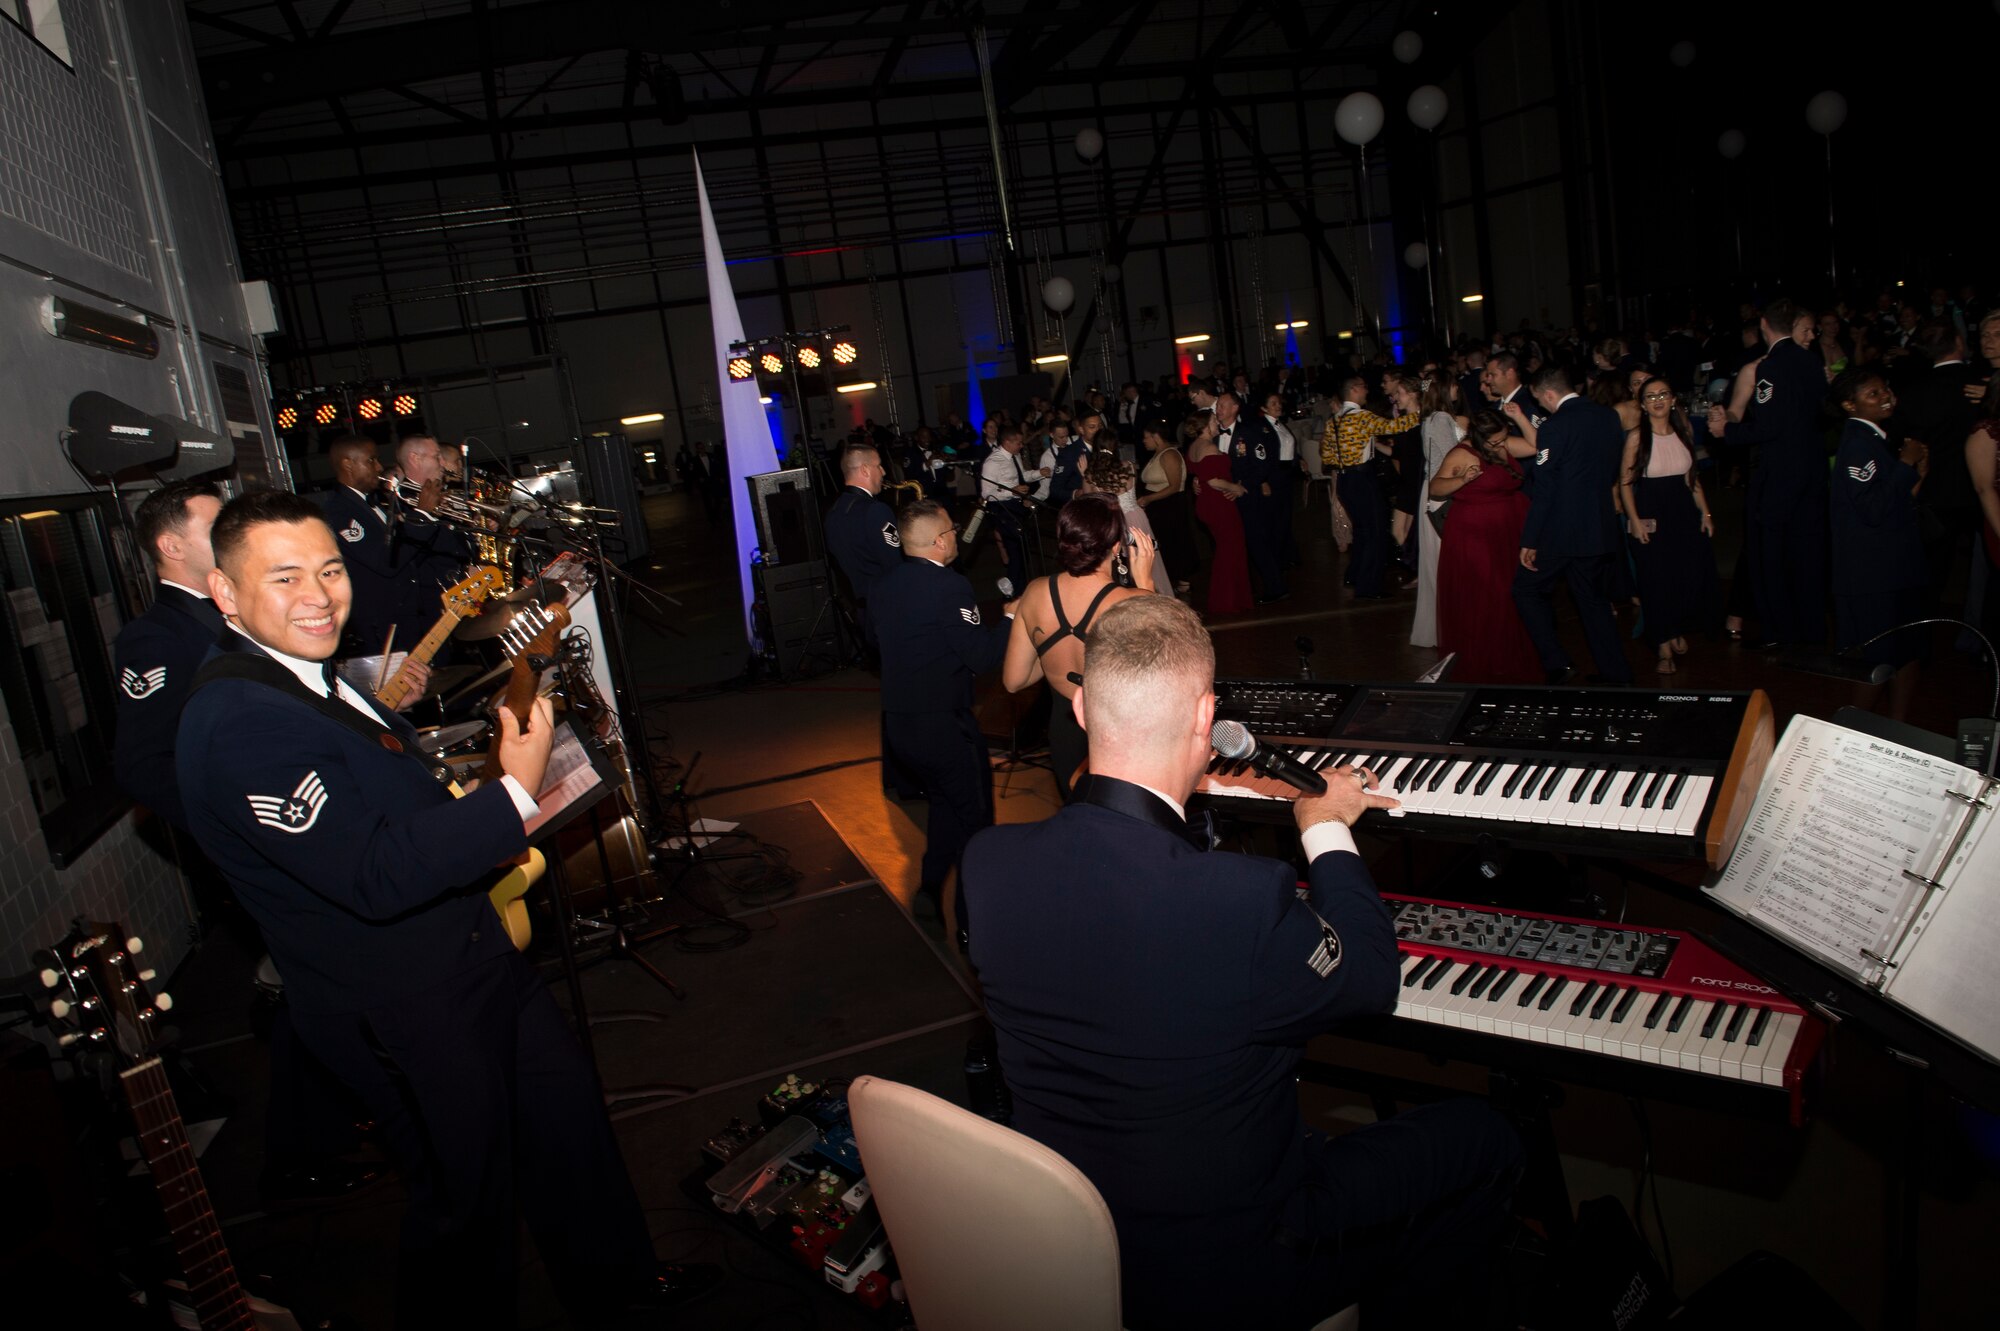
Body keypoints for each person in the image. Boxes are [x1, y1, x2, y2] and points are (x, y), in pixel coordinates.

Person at [176, 490, 717, 1325]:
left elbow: (385, 805)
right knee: (465, 1199)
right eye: (284, 577)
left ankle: (619, 1287)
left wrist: (464, 803)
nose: (318, 595)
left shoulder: (308, 675)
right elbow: (372, 872)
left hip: (470, 957)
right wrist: (511, 792)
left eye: (329, 569)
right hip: (399, 999)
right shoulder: (241, 721)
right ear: (225, 593)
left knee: (565, 1123)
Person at [962, 595, 1521, 1330]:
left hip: (1071, 1238)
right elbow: (1369, 977)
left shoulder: (987, 863)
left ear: (1081, 713)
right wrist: (1324, 830)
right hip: (1231, 1264)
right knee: (1486, 1141)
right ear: (1206, 719)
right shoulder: (1239, 900)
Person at [870, 500, 1013, 914]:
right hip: (945, 727)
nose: (956, 536)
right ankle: (977, 916)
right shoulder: (950, 586)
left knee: (944, 808)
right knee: (976, 820)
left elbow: (875, 641)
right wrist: (1009, 619)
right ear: (937, 542)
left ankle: (930, 890)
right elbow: (981, 658)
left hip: (900, 728)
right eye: (952, 530)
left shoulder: (882, 585)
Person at [1001, 494, 1155, 801]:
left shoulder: (1035, 592)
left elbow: (1014, 680)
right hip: (1119, 734)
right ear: (1115, 546)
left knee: (1080, 823)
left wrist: (1055, 658)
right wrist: (1146, 584)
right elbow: (1163, 671)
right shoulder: (1132, 603)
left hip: (1065, 733)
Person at [1707, 298, 1830, 647]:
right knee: (1807, 555)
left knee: (1772, 556)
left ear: (1763, 324)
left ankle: (1781, 633)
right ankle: (1812, 631)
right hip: (1812, 472)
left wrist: (1725, 433)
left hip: (1779, 475)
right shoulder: (1811, 362)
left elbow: (1769, 426)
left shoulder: (1772, 367)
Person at [113, 481, 226, 833]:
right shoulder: (155, 637)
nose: (233, 535)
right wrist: (231, 831)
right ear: (172, 546)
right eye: (217, 529)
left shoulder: (231, 607)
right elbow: (143, 764)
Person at [1510, 365, 1634, 683]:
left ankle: (1558, 663)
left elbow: (1545, 488)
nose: (1540, 405)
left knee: (1525, 589)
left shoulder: (1556, 426)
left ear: (1549, 394)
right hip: (1599, 524)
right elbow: (1610, 471)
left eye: (1539, 400)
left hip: (1562, 531)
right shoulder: (1608, 417)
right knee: (1593, 600)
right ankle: (1616, 674)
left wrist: (1530, 539)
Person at [316, 435, 470, 661]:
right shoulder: (339, 511)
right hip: (384, 629)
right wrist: (423, 514)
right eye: (371, 461)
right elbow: (385, 562)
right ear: (348, 464)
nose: (379, 467)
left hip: (413, 617)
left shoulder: (373, 502)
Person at [1830, 368, 1929, 684]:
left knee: (1907, 651)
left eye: (1885, 389)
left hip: (1895, 565)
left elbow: (1899, 498)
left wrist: (1916, 469)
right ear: (1850, 405)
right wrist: (1905, 465)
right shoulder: (1858, 445)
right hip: (1873, 572)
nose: (1885, 396)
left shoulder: (1877, 438)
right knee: (1877, 659)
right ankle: (1855, 728)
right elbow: (1872, 509)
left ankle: (1897, 725)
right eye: (1873, 394)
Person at [1433, 411, 1543, 683]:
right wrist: (1463, 479)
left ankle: (1508, 655)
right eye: (1495, 442)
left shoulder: (1503, 443)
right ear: (1480, 438)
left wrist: (1519, 418)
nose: (1501, 445)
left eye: (1503, 439)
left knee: (1512, 592)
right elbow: (1435, 488)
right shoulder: (1461, 454)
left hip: (1508, 529)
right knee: (1490, 594)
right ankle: (1487, 659)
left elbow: (1537, 446)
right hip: (1475, 532)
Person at [1620, 378, 1720, 674]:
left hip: (1684, 514)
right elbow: (1625, 484)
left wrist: (1707, 513)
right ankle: (1661, 642)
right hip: (1651, 514)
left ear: (1673, 399)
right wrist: (1634, 520)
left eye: (1663, 394)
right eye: (1650, 396)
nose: (1658, 400)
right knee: (1656, 581)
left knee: (1685, 578)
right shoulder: (1638, 437)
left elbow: (1693, 480)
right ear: (1642, 405)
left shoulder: (1684, 431)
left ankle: (1675, 628)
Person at [1321, 374, 1417, 599]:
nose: (1367, 391)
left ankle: (1354, 574)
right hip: (1362, 479)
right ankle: (1368, 586)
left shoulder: (1332, 421)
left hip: (1345, 480)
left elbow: (1326, 455)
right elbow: (1395, 426)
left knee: (1362, 531)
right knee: (1375, 532)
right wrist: (1424, 412)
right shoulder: (1361, 417)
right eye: (1364, 387)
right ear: (1354, 390)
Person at [1403, 372, 1462, 648]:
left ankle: (1443, 624)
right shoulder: (1441, 419)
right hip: (1442, 492)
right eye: (1453, 384)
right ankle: (1449, 624)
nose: (1457, 388)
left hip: (1433, 489)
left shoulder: (1430, 418)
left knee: (1436, 562)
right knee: (1444, 562)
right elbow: (1454, 458)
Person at [1217, 390, 1287, 603]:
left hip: (1246, 497)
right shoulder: (1212, 434)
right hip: (1222, 499)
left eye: (1222, 406)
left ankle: (1276, 587)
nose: (1218, 410)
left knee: (1256, 541)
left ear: (1234, 408)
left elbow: (1262, 464)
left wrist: (1243, 486)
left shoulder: (1249, 432)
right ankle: (1242, 588)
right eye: (1218, 406)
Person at [1184, 412, 1252, 615]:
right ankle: (1226, 601)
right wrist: (1235, 488)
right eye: (1214, 421)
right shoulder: (1209, 447)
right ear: (1205, 425)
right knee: (1231, 550)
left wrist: (1198, 482)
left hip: (1205, 503)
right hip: (1218, 505)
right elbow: (1213, 480)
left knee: (1225, 550)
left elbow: (1200, 475)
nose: (1217, 423)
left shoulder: (1194, 446)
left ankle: (1229, 598)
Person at [1082, 454, 1170, 596]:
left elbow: (1088, 502)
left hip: (1116, 521)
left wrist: (1084, 475)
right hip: (1136, 518)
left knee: (1124, 563)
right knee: (1143, 557)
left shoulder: (1092, 475)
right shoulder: (1128, 466)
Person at [979, 425, 1051, 597]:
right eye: (1018, 443)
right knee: (1014, 548)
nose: (1021, 445)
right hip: (1002, 509)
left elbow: (1023, 476)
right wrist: (1011, 491)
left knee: (1023, 548)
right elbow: (986, 493)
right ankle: (1013, 588)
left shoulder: (1014, 457)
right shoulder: (992, 463)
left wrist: (1039, 473)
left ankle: (1018, 584)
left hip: (1016, 506)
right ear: (1007, 442)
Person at [1137, 419, 1197, 593]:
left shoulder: (1169, 455)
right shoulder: (1157, 453)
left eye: (1146, 437)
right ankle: (1170, 580)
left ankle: (1181, 581)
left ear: (1156, 437)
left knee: (1174, 542)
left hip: (1169, 505)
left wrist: (1149, 498)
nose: (1144, 441)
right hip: (1159, 506)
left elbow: (1174, 485)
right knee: (1164, 543)